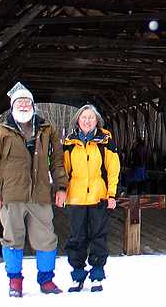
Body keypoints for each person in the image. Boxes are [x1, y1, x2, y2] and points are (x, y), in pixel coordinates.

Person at [0, 83, 68, 298]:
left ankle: (46, 280)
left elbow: (58, 161)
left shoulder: (47, 129)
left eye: (27, 101)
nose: (23, 104)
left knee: (47, 238)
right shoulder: (0, 132)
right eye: (19, 102)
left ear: (33, 105)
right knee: (11, 238)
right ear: (12, 106)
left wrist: (61, 187)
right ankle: (15, 281)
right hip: (11, 195)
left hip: (40, 194)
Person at [63, 103, 120, 293]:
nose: (87, 120)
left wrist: (112, 194)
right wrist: (61, 190)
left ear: (97, 121)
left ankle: (97, 274)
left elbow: (113, 169)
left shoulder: (105, 141)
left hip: (98, 196)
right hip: (76, 197)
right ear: (78, 120)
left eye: (91, 117)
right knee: (76, 238)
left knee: (98, 236)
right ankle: (78, 275)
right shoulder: (69, 143)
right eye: (84, 117)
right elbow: (64, 171)